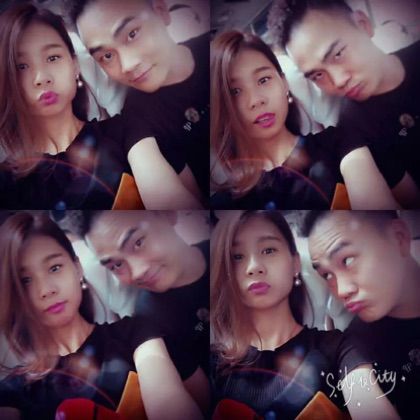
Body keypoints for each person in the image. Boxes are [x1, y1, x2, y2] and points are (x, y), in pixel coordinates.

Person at [0, 211, 208, 420]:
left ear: (78, 268)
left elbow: (167, 397)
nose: (46, 290)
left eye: (55, 268)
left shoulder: (137, 332)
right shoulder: (12, 391)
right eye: (25, 280)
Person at [0, 3, 201, 210]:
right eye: (21, 66)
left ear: (75, 65)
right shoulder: (7, 181)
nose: (41, 78)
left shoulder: (126, 129)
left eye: (53, 58)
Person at [210, 210, 399, 419]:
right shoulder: (214, 361)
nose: (254, 267)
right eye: (237, 257)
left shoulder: (340, 349)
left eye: (269, 250)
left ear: (296, 263)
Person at [268, 0, 420, 209]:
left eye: (338, 54)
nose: (338, 81)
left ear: (363, 25)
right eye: (318, 75)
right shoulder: (354, 130)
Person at [67, 0, 209, 201]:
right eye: (107, 56)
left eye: (132, 34)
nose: (127, 65)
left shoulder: (215, 50)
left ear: (161, 11)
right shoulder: (137, 121)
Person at [302, 210, 420, 419]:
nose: (341, 291)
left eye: (347, 260)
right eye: (327, 275)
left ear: (399, 238)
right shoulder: (355, 345)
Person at [210, 31, 340, 210]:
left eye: (264, 80)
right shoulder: (226, 205)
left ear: (284, 82)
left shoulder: (339, 144)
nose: (256, 100)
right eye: (235, 92)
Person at [81, 210, 210, 376]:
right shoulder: (151, 325)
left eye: (138, 243)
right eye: (117, 265)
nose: (137, 272)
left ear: (166, 214)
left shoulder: (224, 251)